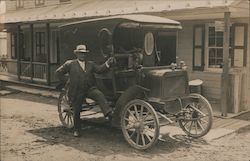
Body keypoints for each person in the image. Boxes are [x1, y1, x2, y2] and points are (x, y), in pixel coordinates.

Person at [56, 44, 115, 137]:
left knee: (99, 94)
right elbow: (59, 72)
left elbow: (100, 70)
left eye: (84, 54)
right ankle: (77, 130)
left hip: (89, 89)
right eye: (80, 53)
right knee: (77, 109)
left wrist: (108, 63)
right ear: (77, 54)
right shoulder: (70, 64)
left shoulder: (90, 64)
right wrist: (67, 82)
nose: (82, 55)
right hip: (76, 91)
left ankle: (108, 113)